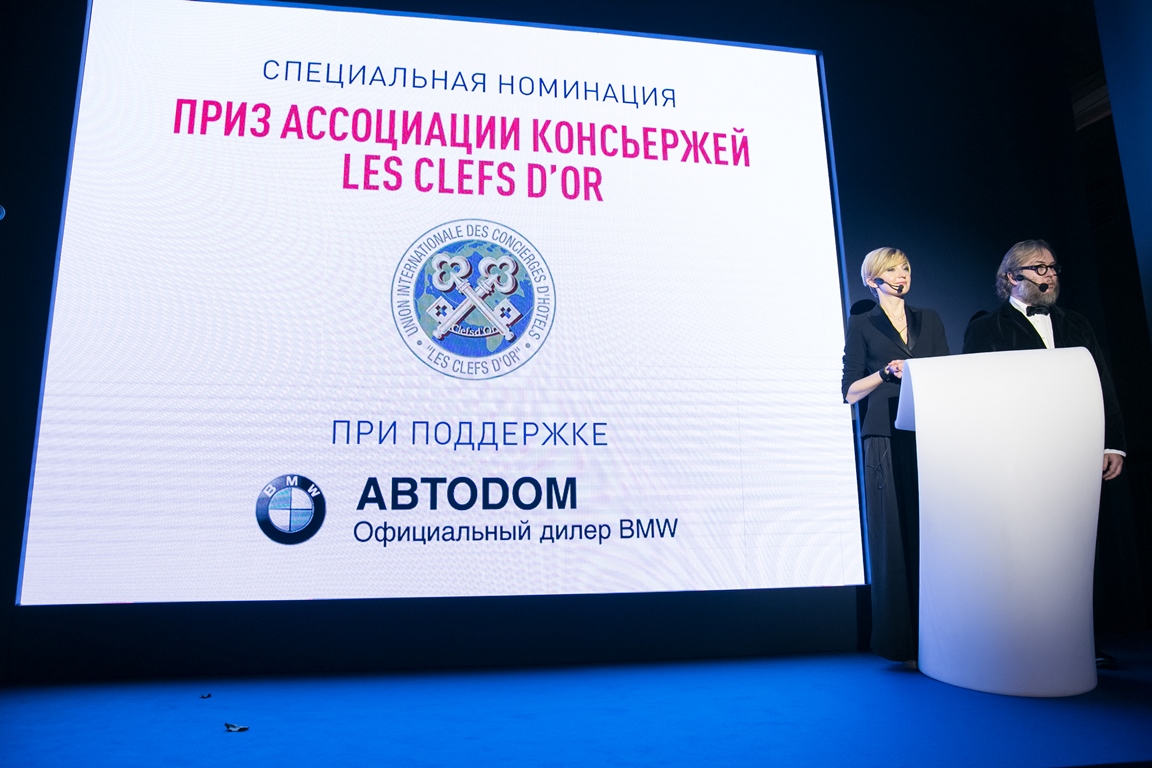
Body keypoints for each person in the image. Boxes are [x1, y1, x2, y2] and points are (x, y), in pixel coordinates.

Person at [841, 248, 950, 665]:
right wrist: (885, 373)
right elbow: (849, 392)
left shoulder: (930, 319)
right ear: (873, 280)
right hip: (884, 435)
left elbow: (947, 373)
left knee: (934, 532)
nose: (901, 275)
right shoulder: (862, 324)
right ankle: (899, 641)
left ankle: (942, 634)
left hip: (928, 433)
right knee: (893, 535)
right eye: (891, 270)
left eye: (905, 268)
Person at [962, 240, 1125, 479]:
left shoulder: (1077, 323)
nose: (1050, 274)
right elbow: (978, 395)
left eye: (1052, 267)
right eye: (1039, 268)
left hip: (1081, 444)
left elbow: (1102, 382)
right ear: (1012, 277)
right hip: (1023, 452)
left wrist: (1112, 444)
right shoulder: (986, 328)